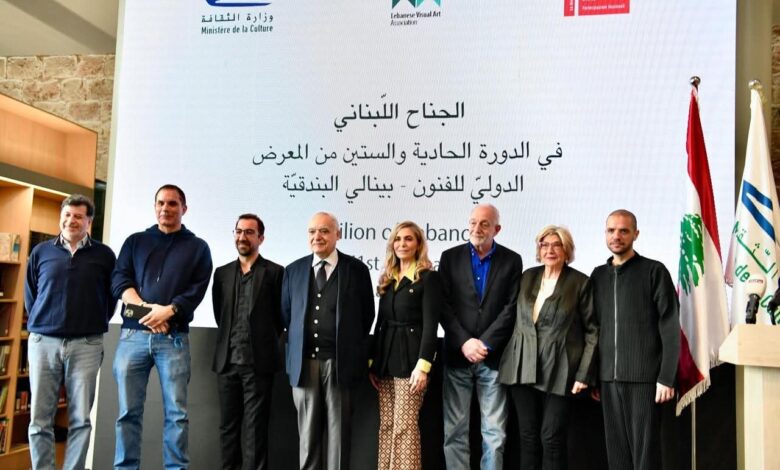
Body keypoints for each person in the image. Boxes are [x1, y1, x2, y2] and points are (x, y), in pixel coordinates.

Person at [111, 184, 213, 470]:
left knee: (177, 415)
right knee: (127, 413)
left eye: (172, 203)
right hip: (133, 336)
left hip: (173, 338)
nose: (165, 208)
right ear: (154, 206)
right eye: (160, 203)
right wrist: (149, 313)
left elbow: (196, 289)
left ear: (184, 208)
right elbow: (120, 280)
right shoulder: (135, 242)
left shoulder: (198, 247)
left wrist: (167, 312)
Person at [24, 194, 116, 470]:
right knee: (39, 419)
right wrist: (44, 322)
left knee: (80, 420)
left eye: (78, 216)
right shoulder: (41, 252)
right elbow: (31, 295)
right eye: (67, 215)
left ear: (89, 222)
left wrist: (92, 322)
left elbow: (110, 299)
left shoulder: (104, 255)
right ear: (60, 217)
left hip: (86, 344)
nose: (71, 220)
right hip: (43, 342)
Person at [498, 225, 598, 470]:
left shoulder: (580, 282)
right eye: (544, 245)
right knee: (528, 437)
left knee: (551, 438)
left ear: (567, 250)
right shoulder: (527, 276)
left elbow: (593, 331)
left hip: (560, 368)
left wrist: (584, 374)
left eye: (556, 245)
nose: (550, 250)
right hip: (521, 364)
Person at [281, 211, 375, 470]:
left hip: (340, 364)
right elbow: (286, 315)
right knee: (307, 439)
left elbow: (367, 315)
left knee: (339, 436)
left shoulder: (357, 270)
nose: (317, 236)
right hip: (304, 365)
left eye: (324, 231)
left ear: (338, 234)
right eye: (312, 231)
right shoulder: (293, 271)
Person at [590, 209, 679, 470]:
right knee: (616, 455)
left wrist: (666, 377)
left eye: (623, 231)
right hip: (608, 380)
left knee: (645, 455)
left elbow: (670, 325)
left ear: (635, 234)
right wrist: (595, 376)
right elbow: (593, 328)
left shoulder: (654, 271)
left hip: (645, 379)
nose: (616, 236)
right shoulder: (597, 276)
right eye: (611, 230)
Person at [438, 204, 523, 470]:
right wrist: (465, 342)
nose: (477, 228)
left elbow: (511, 308)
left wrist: (484, 343)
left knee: (495, 435)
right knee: (454, 432)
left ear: (497, 229)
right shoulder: (450, 257)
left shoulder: (512, 260)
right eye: (473, 222)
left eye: (485, 224)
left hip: (493, 358)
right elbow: (443, 305)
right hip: (457, 355)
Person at [368, 221, 443, 470]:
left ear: (418, 244)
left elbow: (431, 326)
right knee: (387, 425)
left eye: (408, 239)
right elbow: (380, 323)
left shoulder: (428, 278)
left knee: (405, 427)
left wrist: (423, 367)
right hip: (385, 363)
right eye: (398, 239)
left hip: (412, 364)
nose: (402, 244)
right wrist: (373, 363)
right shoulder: (388, 279)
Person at [212, 214, 284, 470]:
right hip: (227, 362)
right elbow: (220, 314)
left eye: (249, 232)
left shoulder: (275, 273)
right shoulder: (221, 274)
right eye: (239, 231)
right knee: (228, 428)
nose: (242, 237)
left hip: (258, 364)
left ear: (260, 238)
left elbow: (280, 317)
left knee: (255, 430)